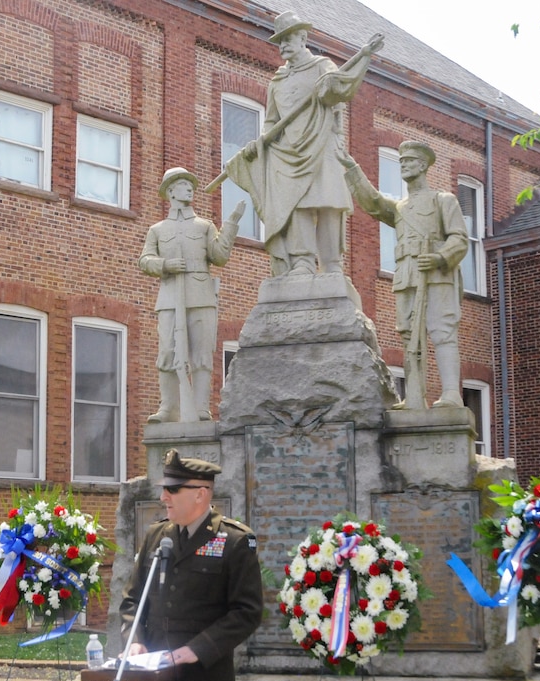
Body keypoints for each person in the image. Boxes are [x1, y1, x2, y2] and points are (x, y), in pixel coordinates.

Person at [120, 449, 263, 681]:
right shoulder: (156, 538)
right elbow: (132, 600)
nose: (164, 496)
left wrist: (195, 650)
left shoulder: (235, 542)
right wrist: (133, 638)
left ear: (200, 493)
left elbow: (246, 612)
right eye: (164, 488)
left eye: (173, 489)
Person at [222, 11, 383, 277]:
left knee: (328, 202)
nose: (282, 45)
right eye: (279, 41)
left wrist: (363, 56)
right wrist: (260, 143)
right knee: (297, 205)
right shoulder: (277, 81)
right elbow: (271, 122)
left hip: (323, 145)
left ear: (303, 38)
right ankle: (303, 262)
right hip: (289, 152)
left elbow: (341, 90)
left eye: (287, 39)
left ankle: (332, 264)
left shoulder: (323, 66)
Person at [337, 141, 468, 409]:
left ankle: (451, 394)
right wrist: (351, 168)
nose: (404, 165)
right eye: (402, 161)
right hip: (407, 276)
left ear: (423, 165)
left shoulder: (443, 200)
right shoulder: (400, 208)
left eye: (410, 161)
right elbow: (373, 202)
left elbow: (460, 238)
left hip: (437, 274)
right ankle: (415, 397)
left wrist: (440, 257)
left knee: (442, 332)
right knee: (410, 335)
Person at [139, 168, 245, 423]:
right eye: (183, 184)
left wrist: (230, 223)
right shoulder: (157, 229)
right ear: (171, 191)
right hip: (170, 297)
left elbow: (219, 257)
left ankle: (200, 407)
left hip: (201, 296)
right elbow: (144, 260)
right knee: (167, 353)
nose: (189, 188)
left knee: (201, 354)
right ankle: (169, 408)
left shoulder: (204, 226)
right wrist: (165, 265)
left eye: (191, 184)